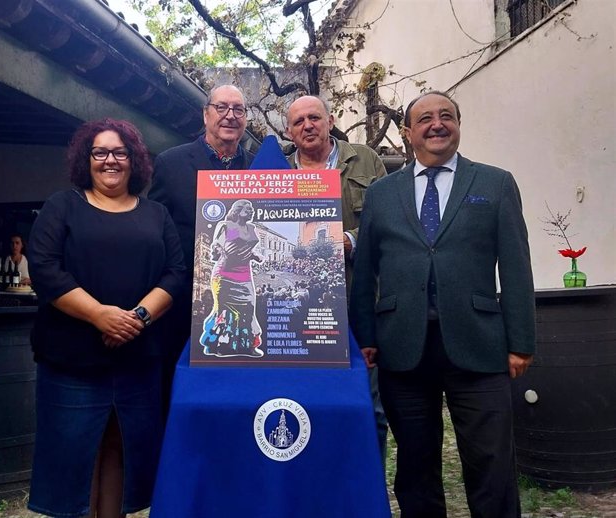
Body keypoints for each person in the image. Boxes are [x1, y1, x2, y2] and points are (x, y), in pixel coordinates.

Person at [350, 91, 535, 518]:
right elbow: (365, 274)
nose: (437, 124)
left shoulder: (495, 183)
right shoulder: (381, 194)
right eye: (425, 118)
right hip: (403, 348)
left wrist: (521, 341)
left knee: (492, 465)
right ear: (407, 132)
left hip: (480, 345)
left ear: (457, 125)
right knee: (415, 468)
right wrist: (367, 336)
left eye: (446, 116)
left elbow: (516, 266)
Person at [27, 118, 185, 518]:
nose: (110, 160)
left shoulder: (156, 214)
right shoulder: (62, 206)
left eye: (120, 152)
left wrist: (138, 318)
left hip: (138, 359)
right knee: (75, 459)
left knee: (120, 450)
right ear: (87, 158)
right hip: (73, 362)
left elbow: (176, 272)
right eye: (100, 152)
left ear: (134, 161)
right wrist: (100, 315)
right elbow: (44, 268)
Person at [285, 94, 388, 456]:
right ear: (289, 131)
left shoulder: (366, 160)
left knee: (370, 408)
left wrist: (348, 240)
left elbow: (388, 221)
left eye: (315, 117)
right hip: (299, 310)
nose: (307, 125)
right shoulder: (276, 170)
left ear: (330, 121)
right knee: (308, 404)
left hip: (361, 302)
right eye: (298, 121)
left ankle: (366, 497)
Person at [148, 85, 254, 404]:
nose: (230, 116)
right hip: (180, 307)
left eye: (238, 110)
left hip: (238, 296)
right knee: (178, 396)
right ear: (205, 113)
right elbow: (156, 233)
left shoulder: (260, 170)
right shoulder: (170, 163)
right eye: (221, 107)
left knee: (236, 393)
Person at [199, 199, 264, 357]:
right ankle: (221, 344)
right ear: (238, 210)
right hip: (225, 275)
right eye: (248, 209)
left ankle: (247, 346)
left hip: (244, 276)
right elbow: (227, 243)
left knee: (248, 309)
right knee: (225, 311)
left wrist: (254, 255)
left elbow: (245, 246)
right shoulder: (230, 226)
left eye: (252, 209)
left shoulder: (250, 227)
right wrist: (218, 248)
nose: (251, 211)